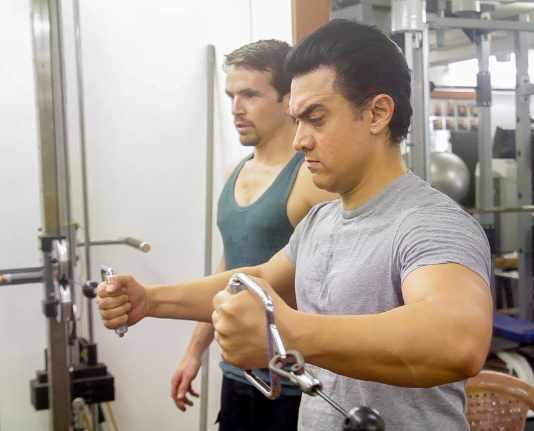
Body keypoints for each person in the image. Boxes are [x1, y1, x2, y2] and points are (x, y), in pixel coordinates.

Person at [97, 20, 492, 431]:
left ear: (377, 113)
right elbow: (255, 281)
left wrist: (286, 332)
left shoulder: (431, 223)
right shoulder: (321, 220)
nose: (299, 140)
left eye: (316, 119)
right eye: (297, 121)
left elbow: (456, 340)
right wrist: (150, 300)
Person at [170, 39, 333, 430]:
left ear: (288, 99)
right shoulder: (236, 172)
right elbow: (231, 272)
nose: (236, 109)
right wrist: (194, 351)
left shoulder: (312, 179)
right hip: (238, 375)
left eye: (250, 95)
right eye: (231, 96)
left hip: (294, 385)